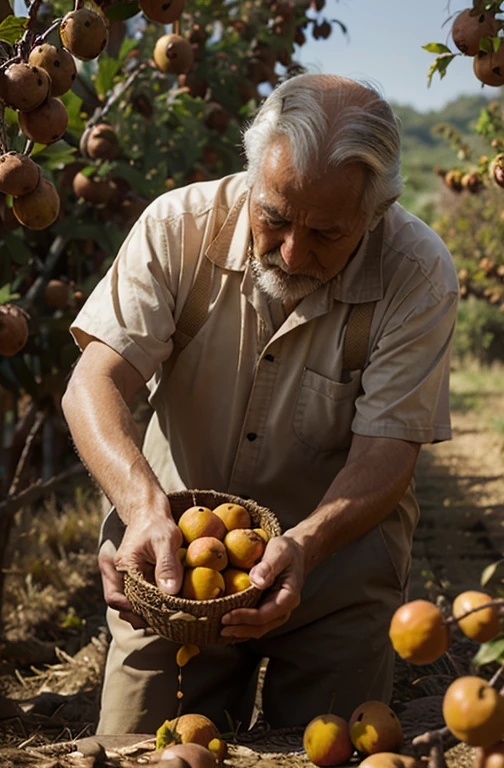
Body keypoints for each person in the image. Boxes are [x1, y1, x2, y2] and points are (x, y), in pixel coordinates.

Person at [62, 73, 459, 735]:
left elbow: (390, 450)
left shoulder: (415, 273)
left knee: (326, 746)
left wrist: (303, 547)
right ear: (253, 176)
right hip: (174, 567)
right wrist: (141, 509)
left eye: (328, 234)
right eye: (273, 218)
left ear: (378, 210)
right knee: (140, 743)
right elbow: (91, 385)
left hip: (335, 565)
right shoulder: (178, 229)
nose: (294, 252)